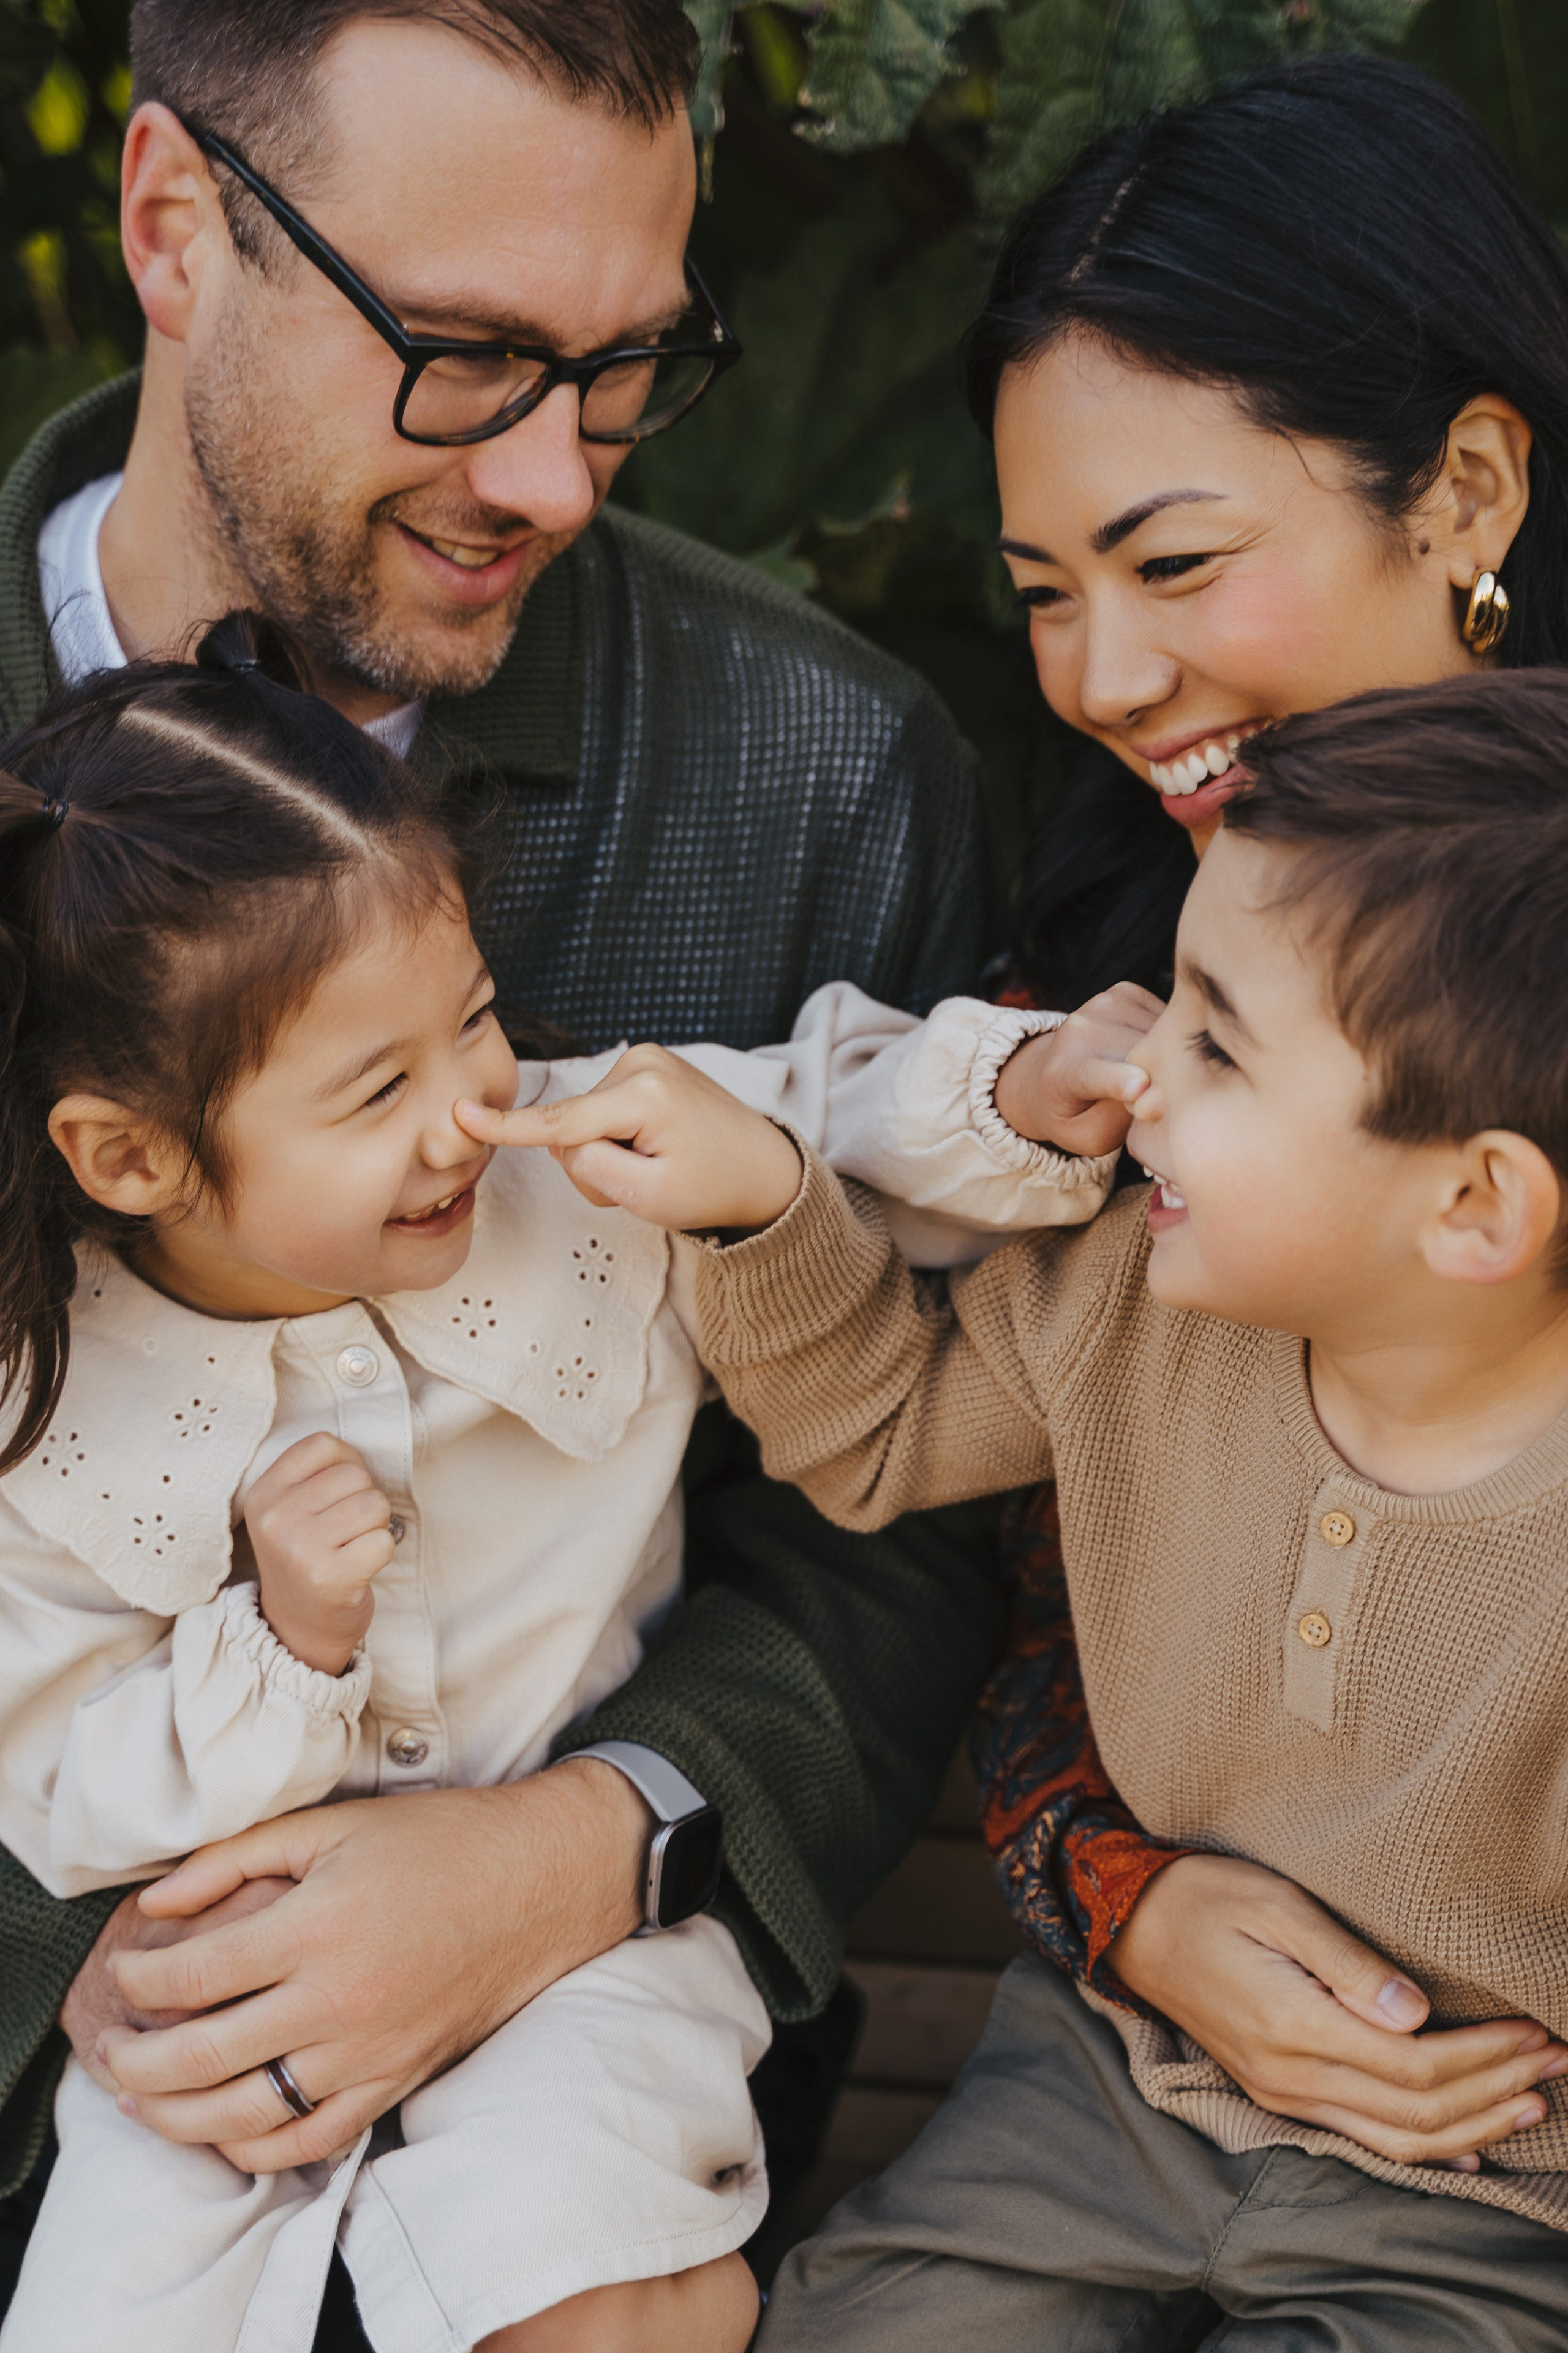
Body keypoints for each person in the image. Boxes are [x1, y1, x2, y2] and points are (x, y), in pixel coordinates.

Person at [0, 0, 1002, 2269]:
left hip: (599, 2058)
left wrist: (594, 1842)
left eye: (629, 363)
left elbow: (899, 1518)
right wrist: (120, 1972)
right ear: (175, 226)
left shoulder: (836, 774)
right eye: (461, 353)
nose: (560, 476)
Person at [0, 619, 1101, 2353]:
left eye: (477, 1017)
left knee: (608, 2273)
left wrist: (1022, 1091)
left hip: (595, 1939)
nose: (474, 1106)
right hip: (228, 2007)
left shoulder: (572, 1177)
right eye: (380, 1086)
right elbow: (65, 1790)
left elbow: (835, 1101)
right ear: (131, 1154)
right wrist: (284, 1650)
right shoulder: (48, 1411)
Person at [503, 670, 1568, 2347]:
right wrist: (771, 1202)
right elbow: (883, 1428)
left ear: (1473, 1205)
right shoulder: (1135, 1306)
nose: (1144, 1072)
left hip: (1497, 2199)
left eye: (1218, 1039)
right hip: (1114, 2085)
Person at [947, 48, 1568, 2169]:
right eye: (1044, 590)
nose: (1105, 676)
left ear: (1466, 495)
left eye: (1176, 560)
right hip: (1127, 2109)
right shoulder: (1109, 1011)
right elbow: (1035, 1588)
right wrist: (1129, 1904)